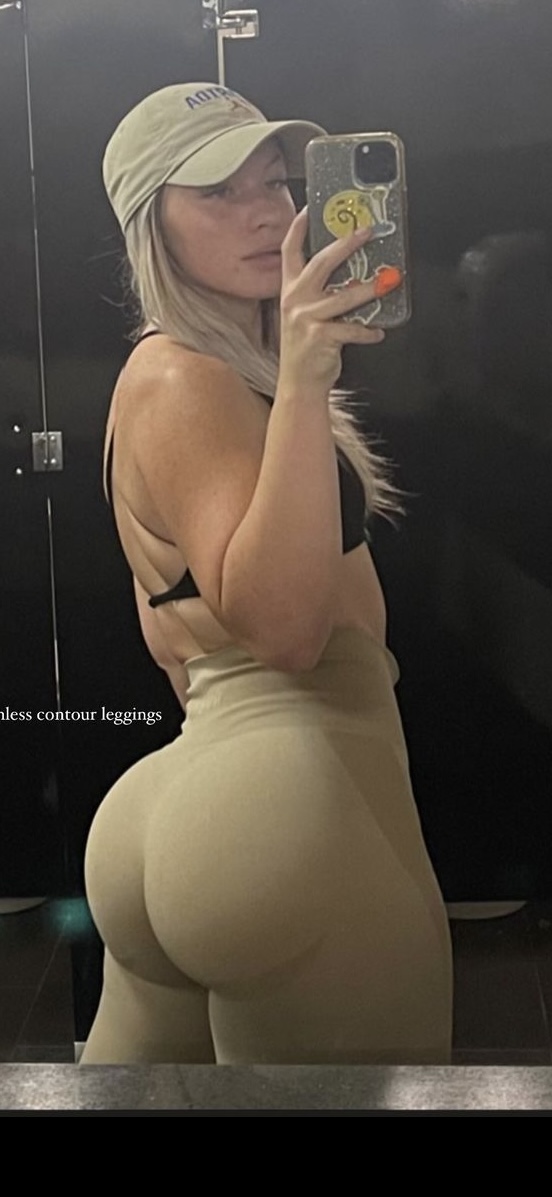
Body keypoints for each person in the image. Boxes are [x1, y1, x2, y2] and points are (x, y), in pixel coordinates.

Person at [81, 82, 452, 1065]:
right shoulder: (184, 377)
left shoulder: (190, 373)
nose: (268, 212)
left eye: (277, 182)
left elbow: (171, 628)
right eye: (218, 192)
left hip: (203, 798)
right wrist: (306, 376)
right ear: (151, 223)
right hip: (292, 795)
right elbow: (285, 633)